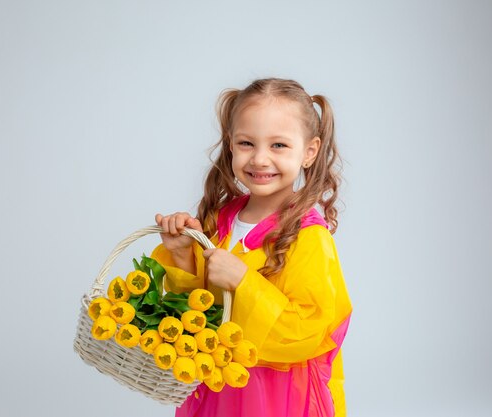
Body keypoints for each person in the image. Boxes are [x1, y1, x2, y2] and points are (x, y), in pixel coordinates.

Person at [151, 78, 353, 417]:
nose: (260, 159)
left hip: (277, 397)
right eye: (247, 143)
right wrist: (183, 255)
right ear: (230, 145)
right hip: (220, 387)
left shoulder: (307, 236)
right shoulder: (221, 221)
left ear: (309, 151)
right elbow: (201, 313)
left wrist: (244, 281)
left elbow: (306, 329)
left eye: (278, 146)